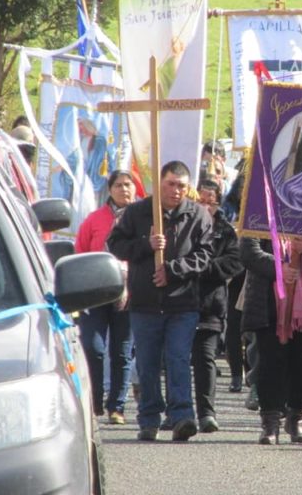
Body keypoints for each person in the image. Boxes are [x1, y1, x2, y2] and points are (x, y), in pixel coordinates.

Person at [107, 160, 215, 442]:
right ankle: (149, 418)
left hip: (182, 303)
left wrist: (174, 270)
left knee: (179, 358)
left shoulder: (198, 216)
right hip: (145, 303)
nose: (176, 191)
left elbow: (204, 255)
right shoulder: (137, 212)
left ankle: (182, 417)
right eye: (170, 184)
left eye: (181, 186)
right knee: (147, 362)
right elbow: (115, 244)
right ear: (159, 184)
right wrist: (146, 246)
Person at [240, 235, 302, 445]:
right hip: (268, 304)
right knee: (270, 365)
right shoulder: (262, 209)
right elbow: (248, 252)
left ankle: (296, 418)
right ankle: (270, 423)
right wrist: (278, 268)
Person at [74, 170, 137, 424]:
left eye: (128, 185)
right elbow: (79, 253)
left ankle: (117, 407)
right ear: (109, 189)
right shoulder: (94, 219)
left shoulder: (142, 218)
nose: (124, 190)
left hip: (129, 293)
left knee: (122, 352)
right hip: (95, 292)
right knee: (93, 347)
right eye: (119, 185)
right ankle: (96, 401)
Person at [192, 179, 242, 433]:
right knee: (176, 358)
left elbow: (234, 262)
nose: (205, 205)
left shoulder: (225, 230)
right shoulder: (182, 224)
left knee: (205, 359)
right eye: (201, 200)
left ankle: (207, 413)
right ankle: (176, 411)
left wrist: (200, 266)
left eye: (210, 201)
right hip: (178, 301)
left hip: (211, 303)